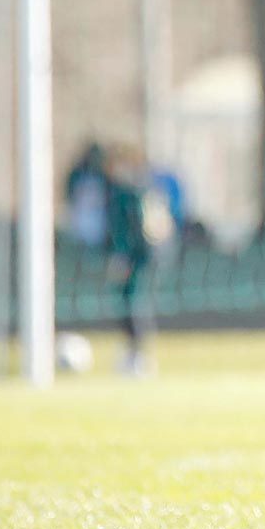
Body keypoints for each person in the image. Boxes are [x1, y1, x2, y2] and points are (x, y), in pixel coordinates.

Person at [103, 143, 157, 376]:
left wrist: (122, 255)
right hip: (140, 257)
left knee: (133, 303)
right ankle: (133, 352)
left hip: (136, 258)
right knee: (130, 302)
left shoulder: (130, 194)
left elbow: (133, 231)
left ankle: (137, 356)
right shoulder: (129, 191)